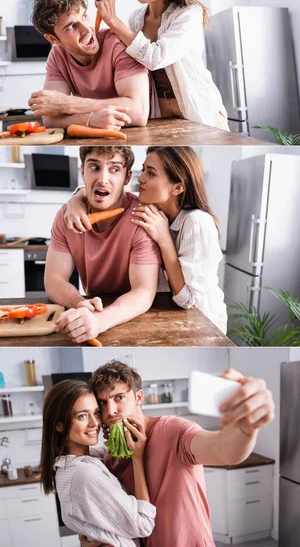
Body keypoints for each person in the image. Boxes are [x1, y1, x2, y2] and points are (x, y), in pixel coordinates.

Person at [79, 359, 275, 547]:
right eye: (103, 403)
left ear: (139, 397)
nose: (111, 410)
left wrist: (247, 426)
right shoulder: (110, 457)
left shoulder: (172, 430)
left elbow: (224, 451)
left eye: (119, 398)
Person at [65, 146, 227, 333]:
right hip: (170, 319)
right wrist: (76, 200)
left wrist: (164, 240)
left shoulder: (197, 222)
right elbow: (107, 191)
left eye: (151, 173)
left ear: (178, 187)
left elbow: (189, 301)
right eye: (143, 170)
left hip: (204, 325)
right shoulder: (151, 210)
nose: (140, 178)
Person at [94, 0, 229, 129]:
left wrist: (112, 19)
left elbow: (156, 58)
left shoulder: (189, 14)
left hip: (197, 109)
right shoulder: (135, 19)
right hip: (158, 113)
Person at [45, 146, 161, 344]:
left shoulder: (142, 219)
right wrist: (81, 304)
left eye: (114, 169)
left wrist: (100, 321)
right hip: (91, 310)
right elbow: (53, 280)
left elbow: (143, 291)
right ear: (83, 171)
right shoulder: (66, 216)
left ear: (127, 177)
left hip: (132, 318)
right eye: (94, 167)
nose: (103, 179)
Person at [40, 379, 156, 546]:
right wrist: (137, 458)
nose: (95, 423)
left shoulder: (77, 462)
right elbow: (143, 524)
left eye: (96, 413)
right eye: (82, 416)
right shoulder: (83, 473)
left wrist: (118, 438)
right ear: (59, 424)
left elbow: (104, 456)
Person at [28, 0, 149, 130]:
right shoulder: (58, 55)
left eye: (84, 16)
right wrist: (91, 119)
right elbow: (51, 119)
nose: (86, 29)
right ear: (53, 39)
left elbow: (139, 112)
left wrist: (67, 104)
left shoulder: (118, 45)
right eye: (72, 26)